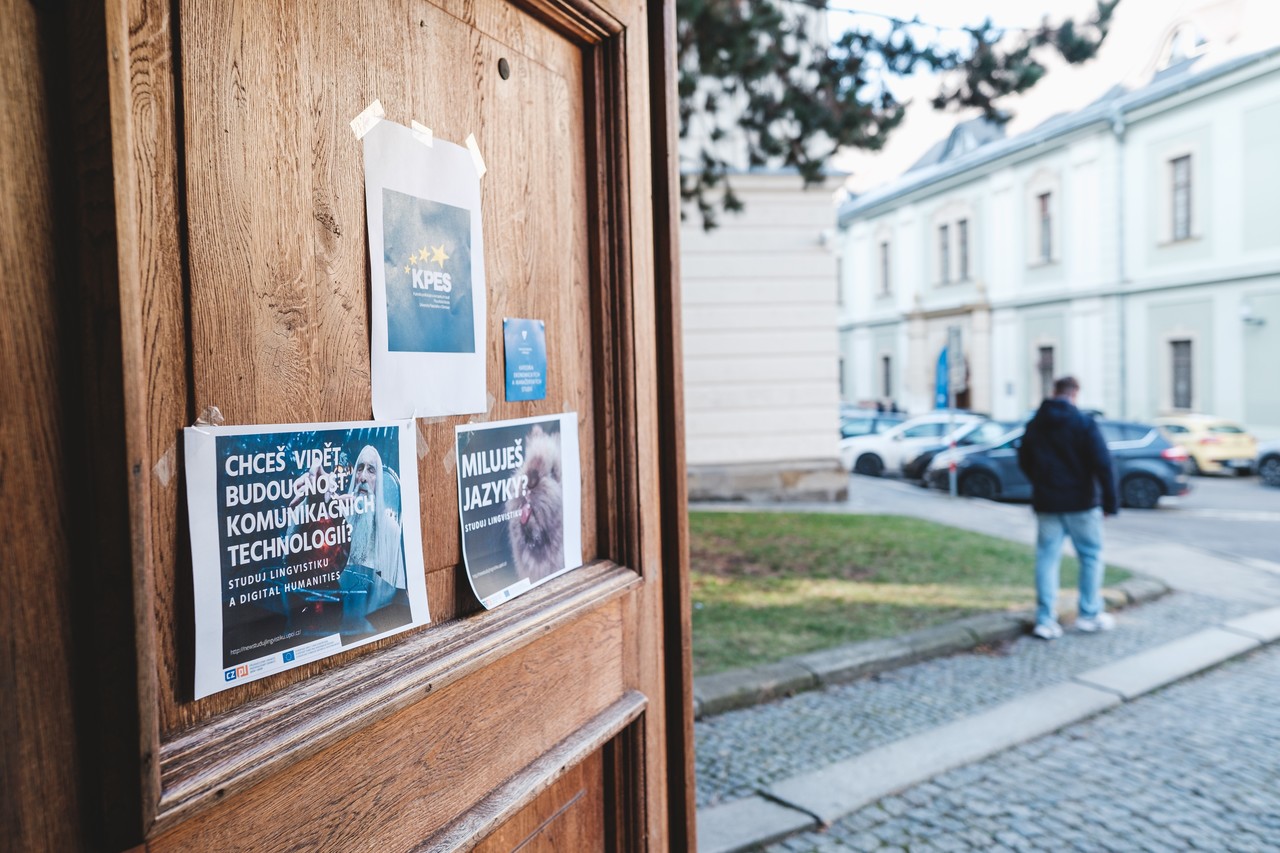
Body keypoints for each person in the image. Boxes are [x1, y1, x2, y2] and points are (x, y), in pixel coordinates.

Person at [1017, 376, 1118, 639]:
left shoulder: (1036, 424)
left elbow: (1024, 459)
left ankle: (1045, 620)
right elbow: (1103, 463)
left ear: (1054, 391)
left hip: (1047, 501)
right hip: (1081, 502)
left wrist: (1041, 482)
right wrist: (1110, 501)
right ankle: (1089, 614)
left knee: (1047, 558)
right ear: (1075, 394)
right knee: (1090, 556)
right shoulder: (1084, 423)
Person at [338, 445, 407, 636]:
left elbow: (397, 593)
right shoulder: (340, 520)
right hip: (339, 622)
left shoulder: (391, 529)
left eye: (371, 470)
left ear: (379, 480)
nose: (363, 477)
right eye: (360, 468)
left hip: (375, 627)